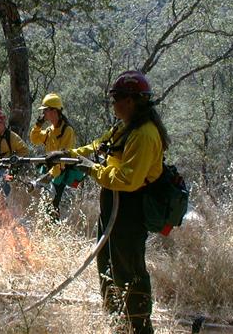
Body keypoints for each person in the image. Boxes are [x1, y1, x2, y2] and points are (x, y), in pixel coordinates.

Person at [48, 71, 169, 333]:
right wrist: (68, 155)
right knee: (107, 264)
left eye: (117, 98)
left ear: (132, 101)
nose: (113, 103)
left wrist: (91, 169)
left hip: (130, 209)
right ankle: (116, 321)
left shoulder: (145, 134)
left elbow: (128, 179)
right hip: (113, 205)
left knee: (129, 269)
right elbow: (98, 146)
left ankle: (138, 325)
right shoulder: (123, 126)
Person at [29, 93, 84, 221]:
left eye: (45, 111)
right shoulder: (49, 130)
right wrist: (38, 125)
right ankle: (49, 229)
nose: (43, 114)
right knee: (46, 204)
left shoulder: (67, 131)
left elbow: (63, 158)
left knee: (53, 204)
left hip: (60, 172)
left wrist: (49, 176)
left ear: (54, 111)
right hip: (50, 170)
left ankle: (54, 231)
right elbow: (34, 139)